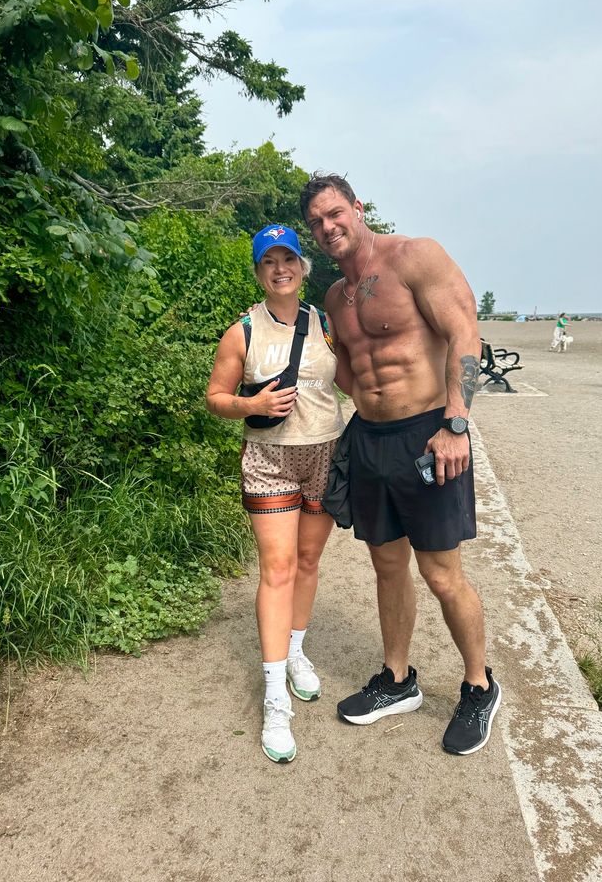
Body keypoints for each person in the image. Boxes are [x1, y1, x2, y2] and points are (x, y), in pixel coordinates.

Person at [300, 173, 500, 756]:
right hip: (369, 440)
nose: (328, 227)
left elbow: (464, 329)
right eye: (316, 222)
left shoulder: (415, 256)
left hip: (428, 433)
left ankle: (479, 684)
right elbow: (348, 369)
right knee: (388, 567)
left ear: (357, 209)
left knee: (442, 575)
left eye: (335, 213)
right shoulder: (335, 298)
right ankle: (397, 680)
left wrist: (456, 422)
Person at [205, 225, 344, 763]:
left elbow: (351, 379)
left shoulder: (325, 324)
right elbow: (216, 397)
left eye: (289, 259)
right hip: (269, 459)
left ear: (303, 267)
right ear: (259, 271)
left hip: (324, 453)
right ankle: (274, 698)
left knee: (308, 560)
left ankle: (295, 653)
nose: (280, 268)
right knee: (278, 567)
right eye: (269, 262)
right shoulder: (242, 331)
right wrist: (251, 407)